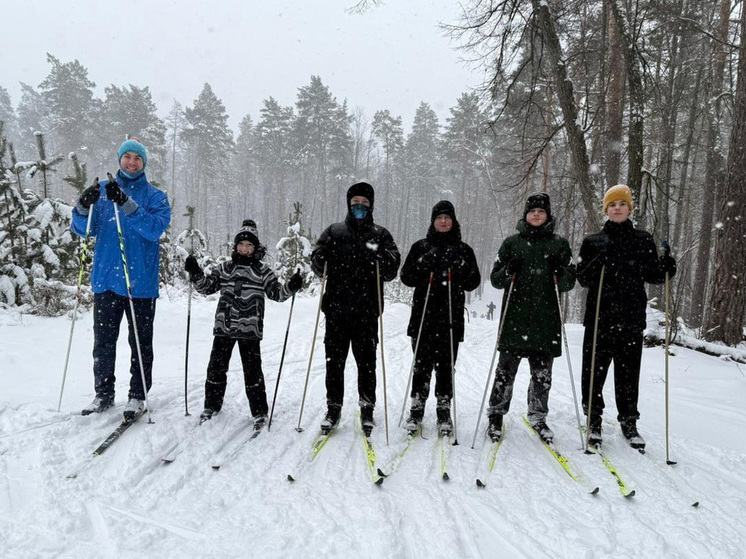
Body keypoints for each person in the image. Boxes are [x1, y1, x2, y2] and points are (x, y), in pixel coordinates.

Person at [71, 138, 171, 421]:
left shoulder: (155, 197)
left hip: (140, 284)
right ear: (120, 160)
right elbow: (82, 229)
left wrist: (126, 203)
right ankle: (103, 394)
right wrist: (82, 206)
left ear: (144, 163)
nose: (131, 162)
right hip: (106, 280)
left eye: (137, 158)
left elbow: (154, 230)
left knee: (140, 343)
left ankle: (138, 395)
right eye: (127, 157)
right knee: (103, 342)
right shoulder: (102, 192)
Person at [577, 184, 676, 450]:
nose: (617, 208)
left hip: (631, 317)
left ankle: (629, 420)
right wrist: (595, 263)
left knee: (628, 373)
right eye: (612, 205)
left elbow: (653, 274)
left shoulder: (643, 239)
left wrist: (667, 267)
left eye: (622, 204)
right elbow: (583, 278)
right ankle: (593, 418)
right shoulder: (592, 241)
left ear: (629, 209)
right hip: (600, 316)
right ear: (606, 210)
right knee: (594, 372)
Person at [185, 220, 303, 429]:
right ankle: (211, 406)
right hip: (224, 327)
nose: (245, 248)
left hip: (250, 330)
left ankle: (259, 412)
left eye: (249, 245)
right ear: (236, 246)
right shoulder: (225, 269)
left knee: (252, 371)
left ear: (255, 247)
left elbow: (277, 294)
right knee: (216, 368)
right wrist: (195, 273)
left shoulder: (263, 271)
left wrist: (291, 286)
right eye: (242, 244)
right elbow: (206, 287)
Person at [310, 182, 400, 435]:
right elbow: (317, 264)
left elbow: (393, 268)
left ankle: (367, 408)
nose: (359, 206)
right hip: (337, 309)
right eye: (355, 202)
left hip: (367, 311)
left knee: (367, 363)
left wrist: (384, 258)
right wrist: (320, 257)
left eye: (364, 203)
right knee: (334, 363)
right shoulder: (334, 231)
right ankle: (333, 407)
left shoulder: (380, 235)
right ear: (349, 204)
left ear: (371, 205)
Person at [486, 193, 576, 443]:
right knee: (505, 372)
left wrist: (561, 271)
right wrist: (508, 270)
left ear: (547, 215)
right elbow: (495, 279)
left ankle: (538, 416)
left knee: (542, 375)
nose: (536, 215)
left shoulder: (559, 244)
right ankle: (496, 415)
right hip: (514, 319)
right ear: (526, 215)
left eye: (541, 211)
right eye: (532, 211)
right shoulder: (511, 243)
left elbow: (569, 281)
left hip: (545, 321)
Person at [400, 200, 481, 435]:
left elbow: (472, 282)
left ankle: (443, 410)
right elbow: (406, 277)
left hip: (450, 320)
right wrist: (424, 262)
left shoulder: (464, 249)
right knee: (421, 366)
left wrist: (461, 265)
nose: (443, 221)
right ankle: (416, 408)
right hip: (423, 317)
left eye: (447, 217)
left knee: (446, 367)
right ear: (433, 221)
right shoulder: (420, 247)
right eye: (439, 217)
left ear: (454, 221)